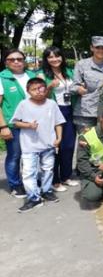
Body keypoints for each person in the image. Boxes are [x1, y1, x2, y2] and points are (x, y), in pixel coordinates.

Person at [11, 78, 66, 212]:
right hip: (29, 146)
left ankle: (46, 191)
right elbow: (15, 122)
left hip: (48, 145)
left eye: (41, 88)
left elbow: (58, 122)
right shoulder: (23, 104)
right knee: (29, 173)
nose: (38, 92)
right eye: (34, 89)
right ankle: (34, 198)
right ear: (28, 91)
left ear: (45, 89)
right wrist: (28, 125)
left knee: (48, 169)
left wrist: (59, 137)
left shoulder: (52, 104)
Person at [38, 46, 79, 192]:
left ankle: (66, 176)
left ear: (62, 57)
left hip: (69, 110)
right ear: (46, 59)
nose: (54, 59)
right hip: (53, 112)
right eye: (50, 57)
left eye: (57, 56)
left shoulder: (69, 72)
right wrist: (49, 87)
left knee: (68, 146)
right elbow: (39, 96)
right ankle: (55, 180)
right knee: (54, 147)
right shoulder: (42, 74)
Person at [0, 49, 36, 198]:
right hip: (13, 125)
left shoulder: (32, 76)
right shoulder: (2, 78)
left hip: (33, 124)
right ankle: (15, 185)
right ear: (6, 62)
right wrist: (3, 127)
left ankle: (31, 182)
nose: (16, 62)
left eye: (19, 59)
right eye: (12, 59)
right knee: (15, 155)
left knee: (32, 155)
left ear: (24, 60)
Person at [72, 36, 103, 132]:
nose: (100, 50)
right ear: (91, 48)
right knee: (85, 143)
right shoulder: (82, 64)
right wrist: (79, 89)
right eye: (97, 47)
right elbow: (73, 86)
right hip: (86, 113)